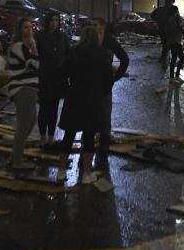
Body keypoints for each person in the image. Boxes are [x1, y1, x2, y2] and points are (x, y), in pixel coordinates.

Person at [57, 26, 108, 184]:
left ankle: (61, 171)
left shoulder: (73, 52)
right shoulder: (102, 54)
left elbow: (63, 73)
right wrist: (103, 92)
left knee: (69, 135)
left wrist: (67, 90)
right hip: (93, 98)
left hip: (75, 96)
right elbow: (108, 79)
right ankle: (86, 173)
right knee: (89, 136)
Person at [92, 17, 129, 170]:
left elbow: (124, 58)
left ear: (103, 26)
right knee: (89, 121)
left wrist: (116, 77)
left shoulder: (109, 41)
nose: (93, 28)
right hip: (90, 87)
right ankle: (85, 154)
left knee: (105, 122)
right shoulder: (90, 40)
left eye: (96, 25)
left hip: (105, 88)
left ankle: (103, 155)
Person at [2, 18, 39, 170]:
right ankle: (17, 162)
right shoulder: (20, 46)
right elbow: (35, 65)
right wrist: (35, 47)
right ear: (19, 30)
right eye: (25, 27)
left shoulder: (25, 46)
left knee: (30, 121)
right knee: (24, 125)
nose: (29, 30)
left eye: (31, 27)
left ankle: (14, 157)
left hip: (28, 88)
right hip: (23, 89)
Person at [35, 12, 69, 146]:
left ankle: (51, 137)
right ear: (47, 21)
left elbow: (68, 55)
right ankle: (43, 136)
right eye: (52, 20)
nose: (54, 23)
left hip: (58, 79)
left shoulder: (62, 37)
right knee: (44, 109)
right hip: (43, 78)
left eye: (56, 20)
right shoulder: (40, 36)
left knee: (54, 109)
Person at [162, 5, 184, 81]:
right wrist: (181, 26)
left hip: (175, 41)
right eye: (177, 11)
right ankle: (173, 77)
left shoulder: (174, 18)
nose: (177, 12)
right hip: (174, 41)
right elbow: (175, 29)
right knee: (178, 58)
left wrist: (180, 24)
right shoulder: (171, 19)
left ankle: (175, 76)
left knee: (178, 58)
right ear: (174, 11)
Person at [151, 0, 174, 64]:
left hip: (162, 29)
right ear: (170, 2)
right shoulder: (171, 9)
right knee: (168, 44)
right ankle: (165, 58)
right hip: (169, 30)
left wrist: (157, 21)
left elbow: (152, 15)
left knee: (165, 43)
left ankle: (164, 57)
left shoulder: (160, 9)